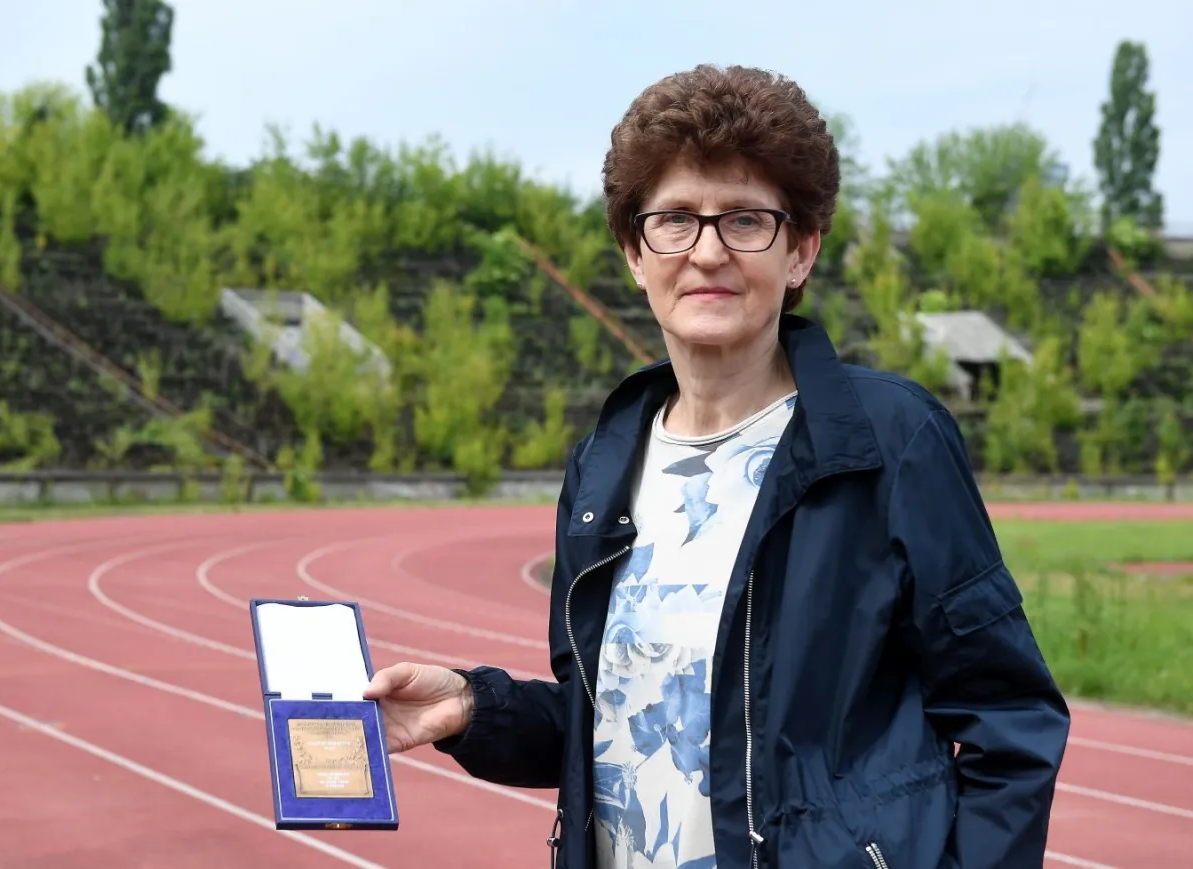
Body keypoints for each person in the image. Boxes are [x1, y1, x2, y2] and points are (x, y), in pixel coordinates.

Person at [363, 63, 1070, 869]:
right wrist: (470, 705)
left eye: (744, 220)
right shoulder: (603, 464)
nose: (706, 251)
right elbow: (615, 723)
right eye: (673, 219)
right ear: (635, 251)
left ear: (800, 250)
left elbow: (1008, 717)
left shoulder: (891, 439)